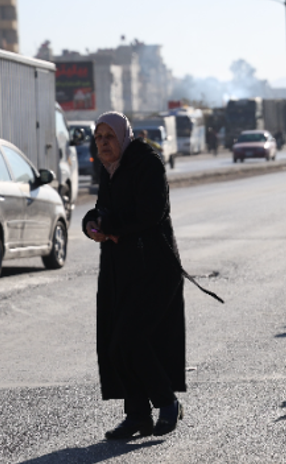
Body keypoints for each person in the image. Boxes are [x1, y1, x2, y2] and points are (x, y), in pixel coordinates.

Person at [83, 111, 186, 440]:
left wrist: (110, 226)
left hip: (154, 269)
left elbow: (151, 212)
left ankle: (167, 403)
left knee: (131, 339)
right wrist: (92, 224)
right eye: (98, 138)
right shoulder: (108, 169)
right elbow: (103, 209)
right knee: (117, 347)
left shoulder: (146, 162)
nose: (103, 143)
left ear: (123, 136)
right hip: (122, 271)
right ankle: (138, 415)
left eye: (109, 137)